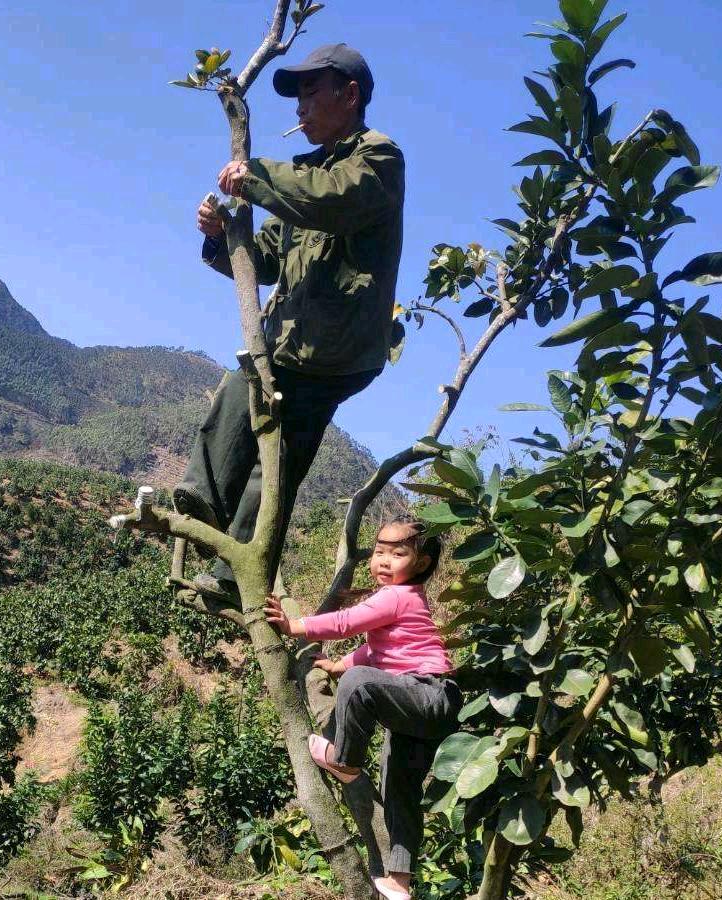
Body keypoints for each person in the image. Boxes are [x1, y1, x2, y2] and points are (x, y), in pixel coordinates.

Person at [173, 43, 405, 604]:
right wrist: (219, 234)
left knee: (271, 432)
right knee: (257, 419)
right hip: (294, 342)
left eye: (310, 91)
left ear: (349, 96)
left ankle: (229, 557)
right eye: (296, 95)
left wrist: (254, 176)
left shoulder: (378, 158)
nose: (299, 106)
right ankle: (210, 519)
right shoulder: (301, 172)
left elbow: (332, 201)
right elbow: (266, 258)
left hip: (335, 349)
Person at [265, 515, 462, 900]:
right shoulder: (404, 604)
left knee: (358, 684)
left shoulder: (397, 596)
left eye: (398, 553)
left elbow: (347, 622)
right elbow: (375, 651)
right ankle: (400, 881)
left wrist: (294, 626)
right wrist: (339, 666)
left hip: (429, 693)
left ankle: (344, 760)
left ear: (420, 564)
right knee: (399, 790)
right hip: (427, 709)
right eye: (379, 551)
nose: (383, 560)